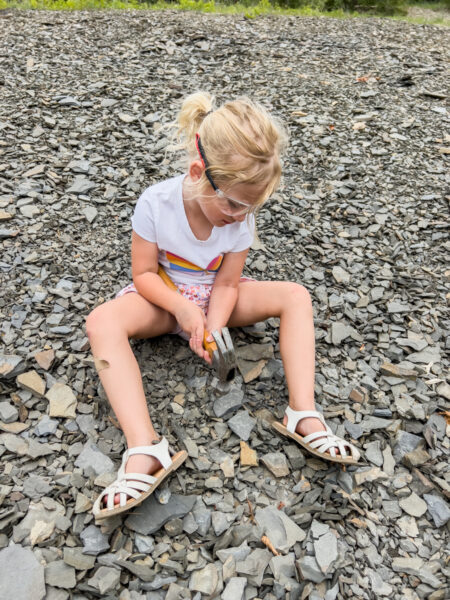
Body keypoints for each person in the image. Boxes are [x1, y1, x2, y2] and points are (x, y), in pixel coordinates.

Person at [87, 92, 360, 520]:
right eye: (232, 203)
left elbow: (229, 282)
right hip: (164, 297)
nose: (238, 216)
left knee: (296, 296)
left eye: (250, 207)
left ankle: (302, 412)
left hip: (216, 296)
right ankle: (145, 447)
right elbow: (142, 275)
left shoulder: (240, 217)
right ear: (199, 172)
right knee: (101, 321)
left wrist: (213, 326)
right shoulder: (155, 204)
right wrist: (181, 309)